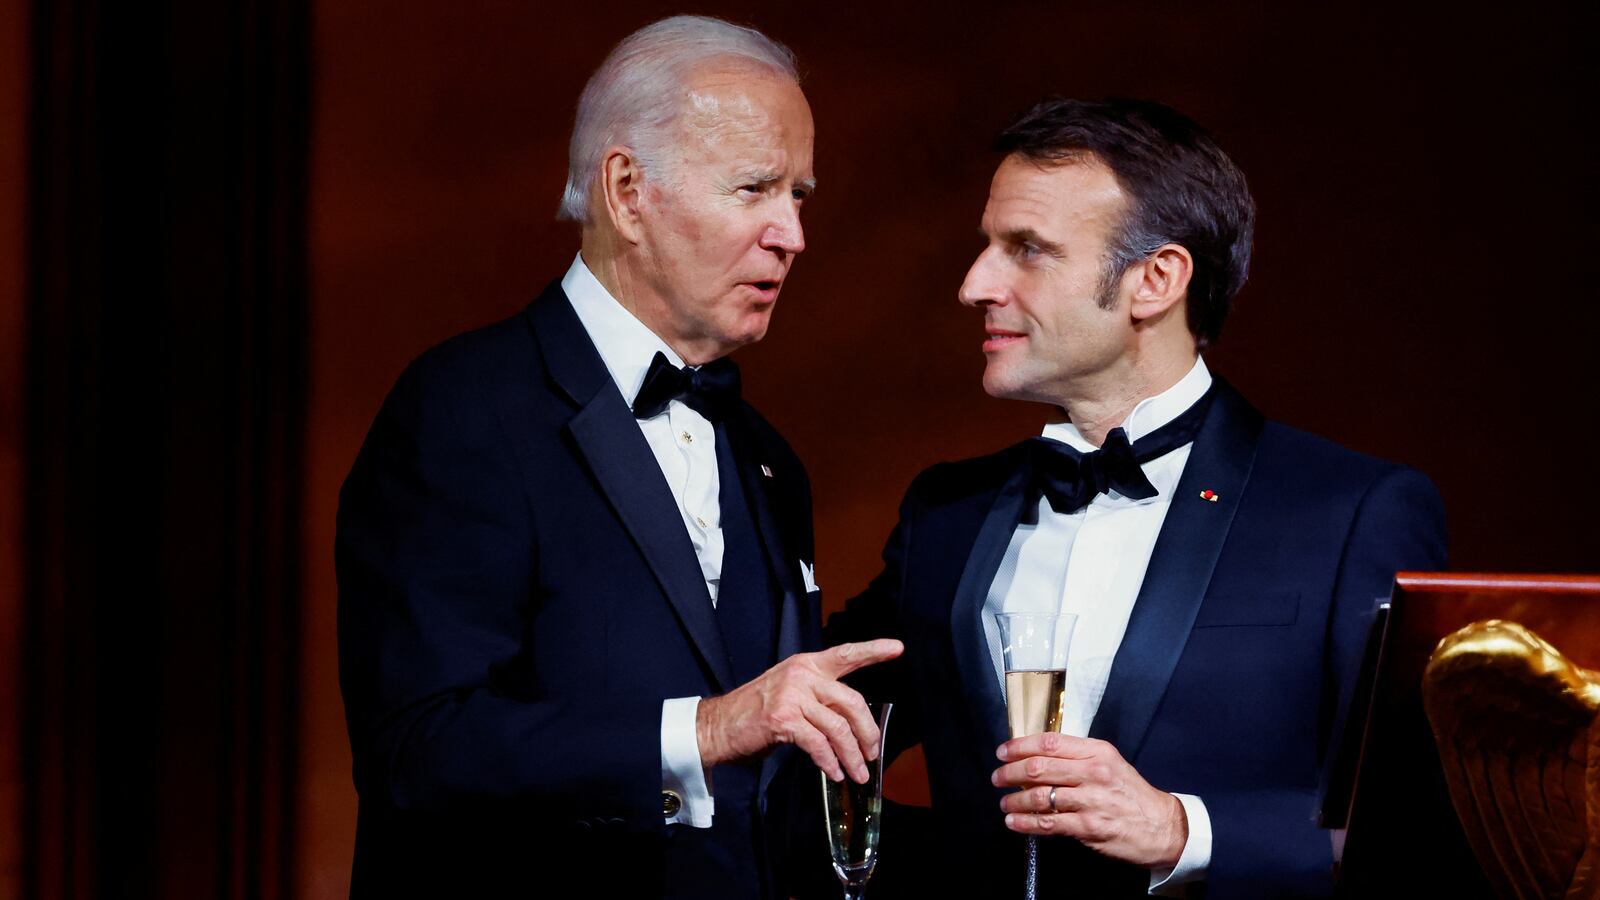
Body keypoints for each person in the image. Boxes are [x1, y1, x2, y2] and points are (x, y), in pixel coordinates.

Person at [335, 16, 900, 899]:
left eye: (800, 196)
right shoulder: (463, 409)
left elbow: (775, 793)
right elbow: (418, 752)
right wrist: (703, 732)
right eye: (755, 189)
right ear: (628, 190)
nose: (792, 234)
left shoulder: (765, 457)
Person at [829, 98, 1447, 898]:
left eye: (1026, 250)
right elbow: (816, 742)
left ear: (1156, 279)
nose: (974, 283)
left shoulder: (1354, 511)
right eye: (987, 245)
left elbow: (1420, 825)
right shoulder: (942, 514)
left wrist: (1182, 829)